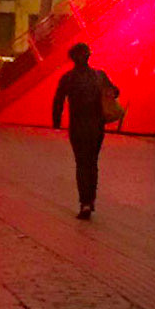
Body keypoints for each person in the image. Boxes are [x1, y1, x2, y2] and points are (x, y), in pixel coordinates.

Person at [51, 42, 119, 220]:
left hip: (78, 127)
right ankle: (91, 199)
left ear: (72, 58)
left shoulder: (68, 78)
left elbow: (58, 101)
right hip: (97, 126)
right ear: (88, 56)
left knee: (82, 164)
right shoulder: (99, 76)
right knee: (92, 163)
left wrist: (56, 122)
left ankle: (85, 203)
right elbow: (115, 91)